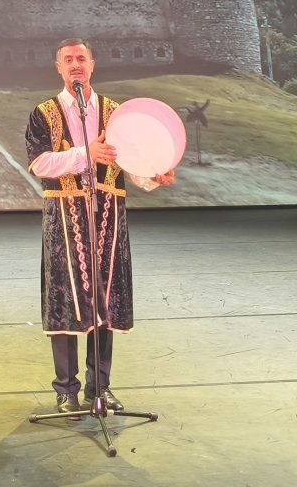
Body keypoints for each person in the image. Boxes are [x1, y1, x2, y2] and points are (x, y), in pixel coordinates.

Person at [24, 37, 173, 416]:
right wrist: (85, 154)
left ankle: (100, 389)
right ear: (58, 67)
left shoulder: (115, 112)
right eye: (68, 59)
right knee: (66, 302)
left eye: (81, 59)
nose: (75, 65)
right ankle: (66, 390)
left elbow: (131, 161)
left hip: (107, 214)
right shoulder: (45, 112)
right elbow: (40, 164)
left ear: (93, 64)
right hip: (63, 217)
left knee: (104, 303)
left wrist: (155, 176)